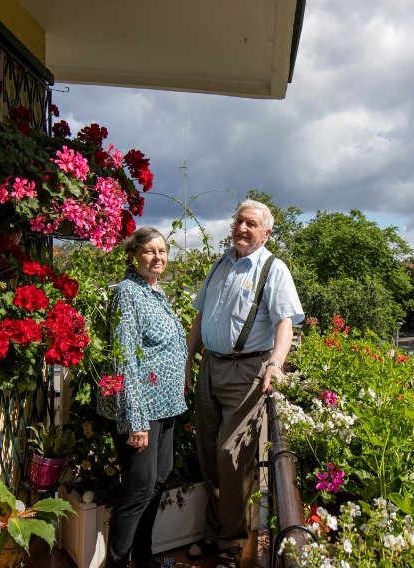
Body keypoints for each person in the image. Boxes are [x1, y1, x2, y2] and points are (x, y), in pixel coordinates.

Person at [185, 200, 304, 568]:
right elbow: (201, 316)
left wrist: (276, 364)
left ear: (266, 232)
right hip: (210, 368)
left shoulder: (273, 268)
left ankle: (234, 544)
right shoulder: (221, 263)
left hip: (246, 371)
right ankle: (216, 531)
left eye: (251, 223)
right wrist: (189, 358)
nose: (242, 227)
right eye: (239, 220)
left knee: (231, 456)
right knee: (208, 453)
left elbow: (285, 322)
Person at [97, 227, 187, 568]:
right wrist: (135, 420)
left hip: (165, 408)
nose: (158, 257)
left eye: (162, 251)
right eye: (149, 251)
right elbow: (123, 359)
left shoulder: (155, 294)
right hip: (141, 410)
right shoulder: (127, 293)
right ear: (133, 255)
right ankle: (117, 563)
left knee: (157, 480)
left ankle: (143, 557)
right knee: (138, 489)